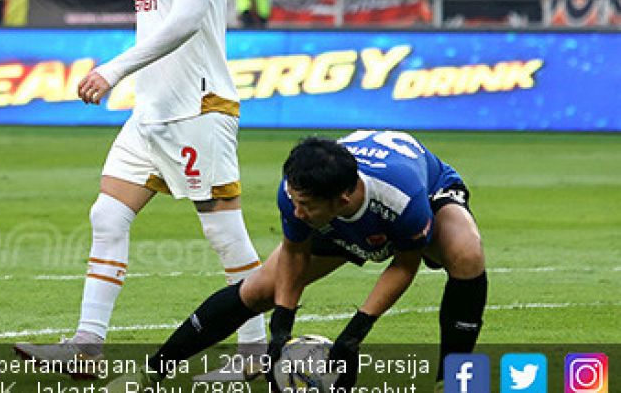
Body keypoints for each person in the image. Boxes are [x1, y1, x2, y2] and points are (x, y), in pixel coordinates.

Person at [13, 0, 268, 380]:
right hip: (151, 113)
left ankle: (254, 351)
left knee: (223, 232)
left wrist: (113, 69)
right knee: (107, 214)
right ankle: (87, 345)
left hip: (197, 106)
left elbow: (188, 19)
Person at [104, 130, 487, 390]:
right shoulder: (297, 192)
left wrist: (353, 335)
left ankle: (452, 378)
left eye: (306, 205)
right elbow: (294, 253)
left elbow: (404, 263)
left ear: (342, 201)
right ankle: (151, 371)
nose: (296, 210)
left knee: (465, 251)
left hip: (429, 192)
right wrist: (280, 330)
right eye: (294, 200)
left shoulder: (400, 199)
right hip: (342, 221)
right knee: (256, 290)